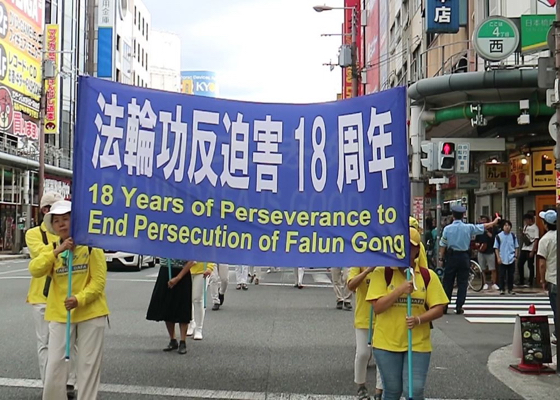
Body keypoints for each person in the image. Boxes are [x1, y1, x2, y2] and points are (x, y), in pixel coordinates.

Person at [28, 200, 109, 400]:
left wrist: (79, 299)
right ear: (52, 226)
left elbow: (98, 281)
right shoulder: (53, 248)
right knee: (55, 364)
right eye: (57, 221)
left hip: (91, 312)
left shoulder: (91, 245)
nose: (62, 224)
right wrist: (58, 250)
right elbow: (35, 269)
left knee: (87, 365)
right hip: (59, 313)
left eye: (66, 219)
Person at [367, 228, 449, 400]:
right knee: (392, 391)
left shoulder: (427, 276)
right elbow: (378, 307)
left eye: (409, 246)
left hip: (417, 343)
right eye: (400, 244)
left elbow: (439, 308)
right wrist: (400, 290)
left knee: (415, 390)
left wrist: (419, 319)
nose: (403, 249)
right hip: (386, 343)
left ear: (417, 250)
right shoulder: (382, 273)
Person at [25, 192, 78, 399]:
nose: (62, 221)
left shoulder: (67, 230)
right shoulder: (33, 233)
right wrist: (60, 246)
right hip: (41, 295)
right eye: (56, 213)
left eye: (66, 216)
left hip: (66, 294)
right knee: (45, 343)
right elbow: (39, 257)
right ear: (46, 211)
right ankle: (49, 383)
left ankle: (69, 383)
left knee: (69, 340)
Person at [439, 205, 500, 314]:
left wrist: (441, 258)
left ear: (453, 216)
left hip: (451, 257)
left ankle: (445, 305)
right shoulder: (468, 227)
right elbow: (483, 226)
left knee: (448, 282)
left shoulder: (447, 229)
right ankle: (459, 306)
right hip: (464, 257)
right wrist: (494, 222)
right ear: (463, 216)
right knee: (463, 282)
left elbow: (443, 244)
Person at [347, 267, 383, 400]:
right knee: (363, 353)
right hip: (364, 317)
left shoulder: (385, 262)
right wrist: (367, 271)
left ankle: (380, 390)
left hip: (384, 317)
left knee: (382, 356)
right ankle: (360, 386)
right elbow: (351, 285)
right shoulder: (360, 260)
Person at [147, 258, 195, 354]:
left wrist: (178, 278)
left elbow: (192, 261)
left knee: (183, 307)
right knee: (167, 305)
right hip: (165, 270)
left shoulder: (187, 244)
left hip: (182, 273)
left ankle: (182, 341)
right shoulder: (164, 244)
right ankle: (172, 339)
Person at [537, 210, 558, 345]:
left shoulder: (545, 239)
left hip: (554, 279)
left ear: (545, 224)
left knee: (556, 309)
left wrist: (542, 280)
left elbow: (542, 263)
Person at [187, 261, 214, 340]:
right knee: (188, 298)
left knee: (198, 299)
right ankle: (191, 322)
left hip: (202, 269)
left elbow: (212, 250)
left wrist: (210, 267)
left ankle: (199, 328)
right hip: (186, 268)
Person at [494, 220, 519, 295]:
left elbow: (516, 246)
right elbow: (496, 248)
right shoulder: (498, 236)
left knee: (511, 275)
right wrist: (498, 257)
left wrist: (515, 256)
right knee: (502, 275)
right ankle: (502, 289)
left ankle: (510, 289)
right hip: (502, 258)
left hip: (511, 258)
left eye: (508, 225)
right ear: (502, 227)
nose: (507, 227)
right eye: (505, 225)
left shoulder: (513, 236)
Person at [474, 216, 499, 291]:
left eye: (485, 220)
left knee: (492, 268)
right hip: (481, 251)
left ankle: (494, 283)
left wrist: (487, 231)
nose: (483, 222)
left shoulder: (493, 229)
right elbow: (476, 241)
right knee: (482, 269)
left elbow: (494, 238)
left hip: (490, 251)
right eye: (482, 220)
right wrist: (477, 244)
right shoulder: (479, 230)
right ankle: (484, 283)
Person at [517, 214, 539, 287]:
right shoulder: (525, 227)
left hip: (530, 249)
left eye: (526, 220)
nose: (526, 222)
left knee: (530, 265)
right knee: (520, 264)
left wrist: (533, 251)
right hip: (524, 248)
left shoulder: (535, 228)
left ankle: (530, 281)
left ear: (530, 220)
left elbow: (536, 239)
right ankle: (521, 280)